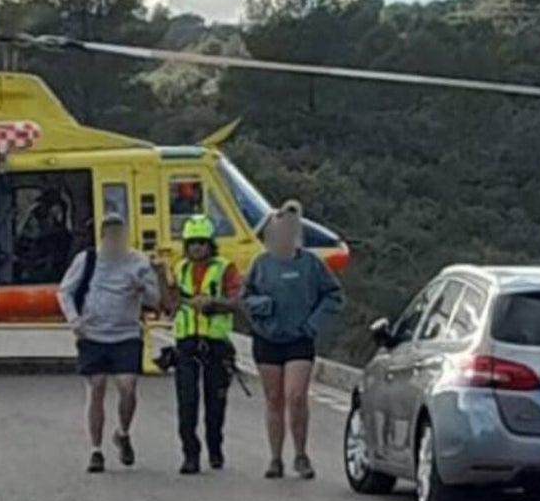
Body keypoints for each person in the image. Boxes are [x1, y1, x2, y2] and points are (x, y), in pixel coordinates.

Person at [242, 200, 344, 480]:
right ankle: (275, 458)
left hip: (300, 339)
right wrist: (262, 307)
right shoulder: (260, 264)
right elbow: (244, 297)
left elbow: (334, 295)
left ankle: (301, 454)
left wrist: (313, 324)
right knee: (274, 399)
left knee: (296, 396)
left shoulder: (312, 264)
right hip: (267, 339)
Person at [58, 213, 164, 473]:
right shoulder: (88, 260)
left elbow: (154, 299)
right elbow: (65, 291)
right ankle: (96, 450)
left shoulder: (137, 262)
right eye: (112, 237)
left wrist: (142, 286)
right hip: (93, 333)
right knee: (96, 387)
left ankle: (123, 432)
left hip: (126, 333)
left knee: (127, 387)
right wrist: (74, 319)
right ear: (104, 238)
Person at [171, 214, 243, 474]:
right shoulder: (179, 269)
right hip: (187, 343)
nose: (196, 247)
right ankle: (190, 454)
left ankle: (215, 447)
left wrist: (214, 304)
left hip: (216, 343)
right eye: (192, 242)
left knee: (216, 403)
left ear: (210, 243)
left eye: (201, 242)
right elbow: (169, 302)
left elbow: (237, 301)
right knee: (186, 402)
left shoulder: (226, 268)